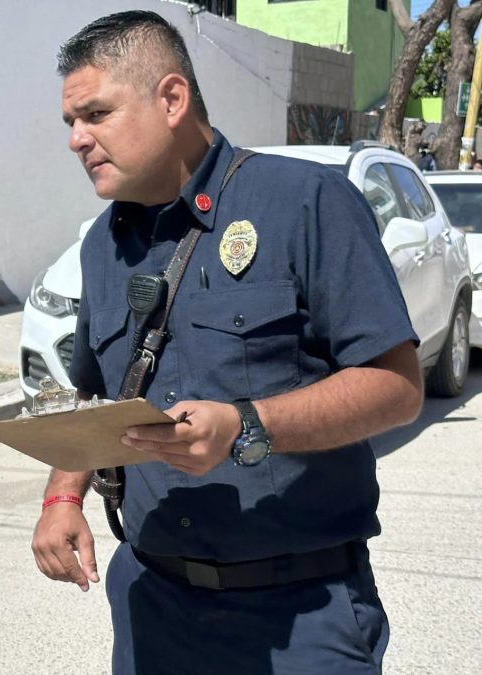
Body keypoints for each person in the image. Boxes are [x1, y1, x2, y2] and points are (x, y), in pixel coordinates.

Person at [30, 11, 423, 673]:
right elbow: (96, 391)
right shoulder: (103, 245)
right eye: (71, 121)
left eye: (96, 114)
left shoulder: (304, 203)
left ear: (173, 99)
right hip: (152, 607)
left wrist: (248, 425)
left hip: (301, 616)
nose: (77, 139)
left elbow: (399, 386)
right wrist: (62, 494)